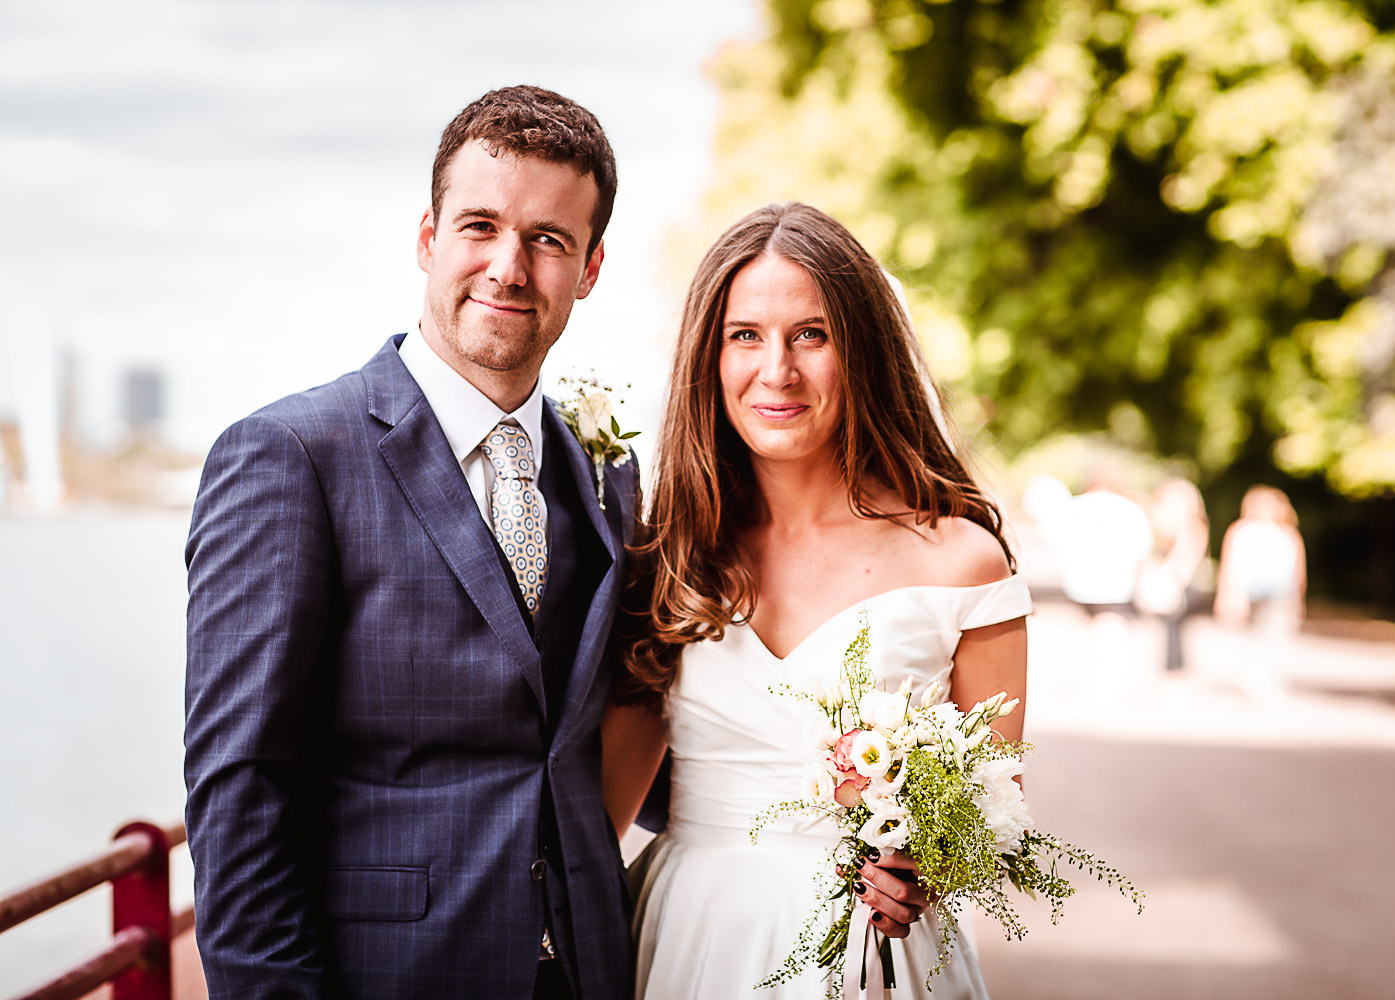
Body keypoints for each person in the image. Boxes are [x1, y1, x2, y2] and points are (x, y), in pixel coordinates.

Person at [184, 86, 637, 1000]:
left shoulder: (607, 476)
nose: (509, 267)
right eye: (480, 227)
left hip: (590, 971)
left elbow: (616, 730)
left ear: (589, 268)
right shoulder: (292, 455)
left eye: (549, 240)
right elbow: (241, 791)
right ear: (428, 237)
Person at [600, 203, 1031, 998]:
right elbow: (599, 824)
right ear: (709, 355)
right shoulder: (668, 557)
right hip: (691, 939)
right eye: (745, 335)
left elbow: (994, 802)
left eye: (811, 334)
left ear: (860, 350)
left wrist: (923, 870)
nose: (778, 371)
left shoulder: (965, 561)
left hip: (876, 961)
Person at [1213, 484, 1307, 700]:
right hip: (1248, 592)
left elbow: (1298, 569)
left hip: (1280, 594)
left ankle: (1266, 678)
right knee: (1253, 635)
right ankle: (1254, 675)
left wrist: (1299, 598)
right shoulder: (1241, 529)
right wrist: (1227, 593)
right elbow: (1229, 565)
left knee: (1275, 635)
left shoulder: (1287, 532)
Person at [1137, 477, 1210, 673]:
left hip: (1181, 581)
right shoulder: (1175, 526)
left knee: (1175, 629)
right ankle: (1173, 669)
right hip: (1176, 579)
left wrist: (1176, 578)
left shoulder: (1192, 527)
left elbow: (1187, 555)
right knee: (1170, 631)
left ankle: (1175, 671)